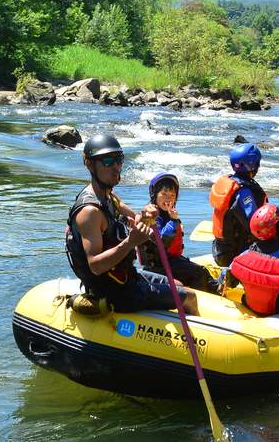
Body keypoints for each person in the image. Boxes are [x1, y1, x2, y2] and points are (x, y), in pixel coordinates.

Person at [64, 133, 198, 314]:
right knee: (189, 296)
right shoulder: (90, 212)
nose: (116, 167)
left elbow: (136, 218)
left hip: (126, 276)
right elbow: (95, 266)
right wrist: (130, 242)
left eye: (119, 159)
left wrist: (145, 215)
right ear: (89, 164)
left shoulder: (110, 197)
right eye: (107, 161)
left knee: (178, 284)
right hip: (115, 292)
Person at [137, 172, 219, 293]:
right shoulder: (151, 216)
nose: (168, 198)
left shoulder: (166, 213)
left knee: (200, 270)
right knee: (199, 273)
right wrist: (173, 221)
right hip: (157, 266)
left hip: (169, 260)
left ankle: (215, 288)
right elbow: (162, 242)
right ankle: (215, 293)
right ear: (154, 194)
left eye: (172, 195)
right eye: (164, 194)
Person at [210, 143, 273, 266]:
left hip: (220, 249)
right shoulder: (244, 191)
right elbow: (255, 222)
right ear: (254, 165)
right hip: (237, 252)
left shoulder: (228, 182)